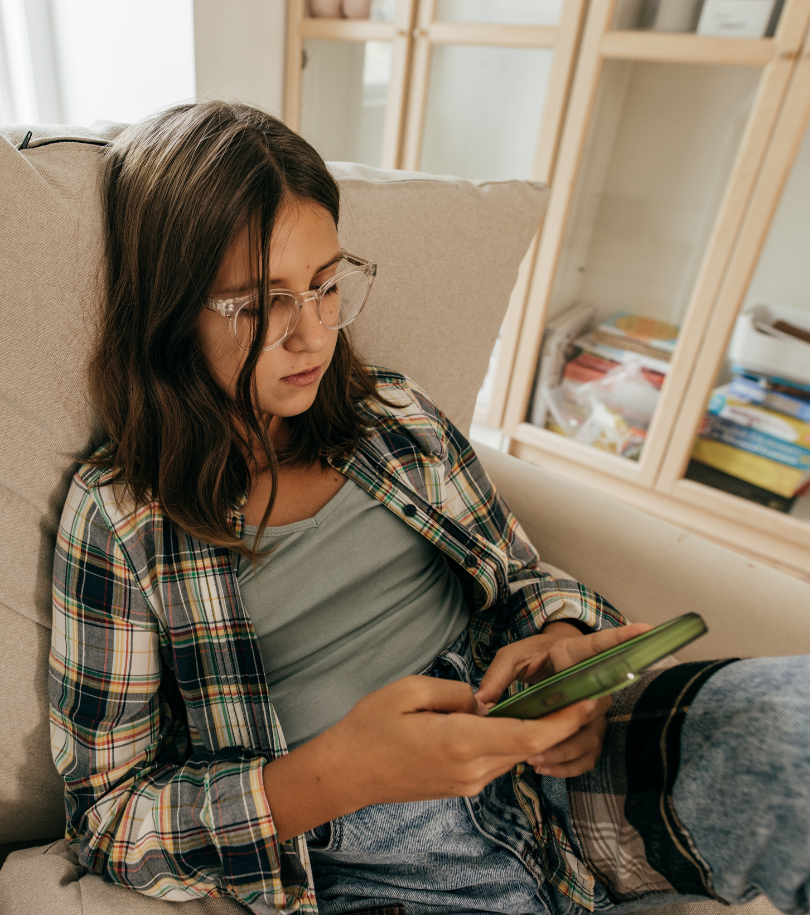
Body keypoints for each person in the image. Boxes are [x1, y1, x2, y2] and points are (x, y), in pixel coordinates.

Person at [49, 99, 810, 915]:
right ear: (168, 310)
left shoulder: (395, 417)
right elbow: (108, 818)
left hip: (562, 771)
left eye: (326, 284)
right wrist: (338, 772)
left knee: (791, 732)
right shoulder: (122, 518)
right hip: (383, 858)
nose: (314, 334)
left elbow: (523, 576)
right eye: (260, 303)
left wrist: (561, 645)